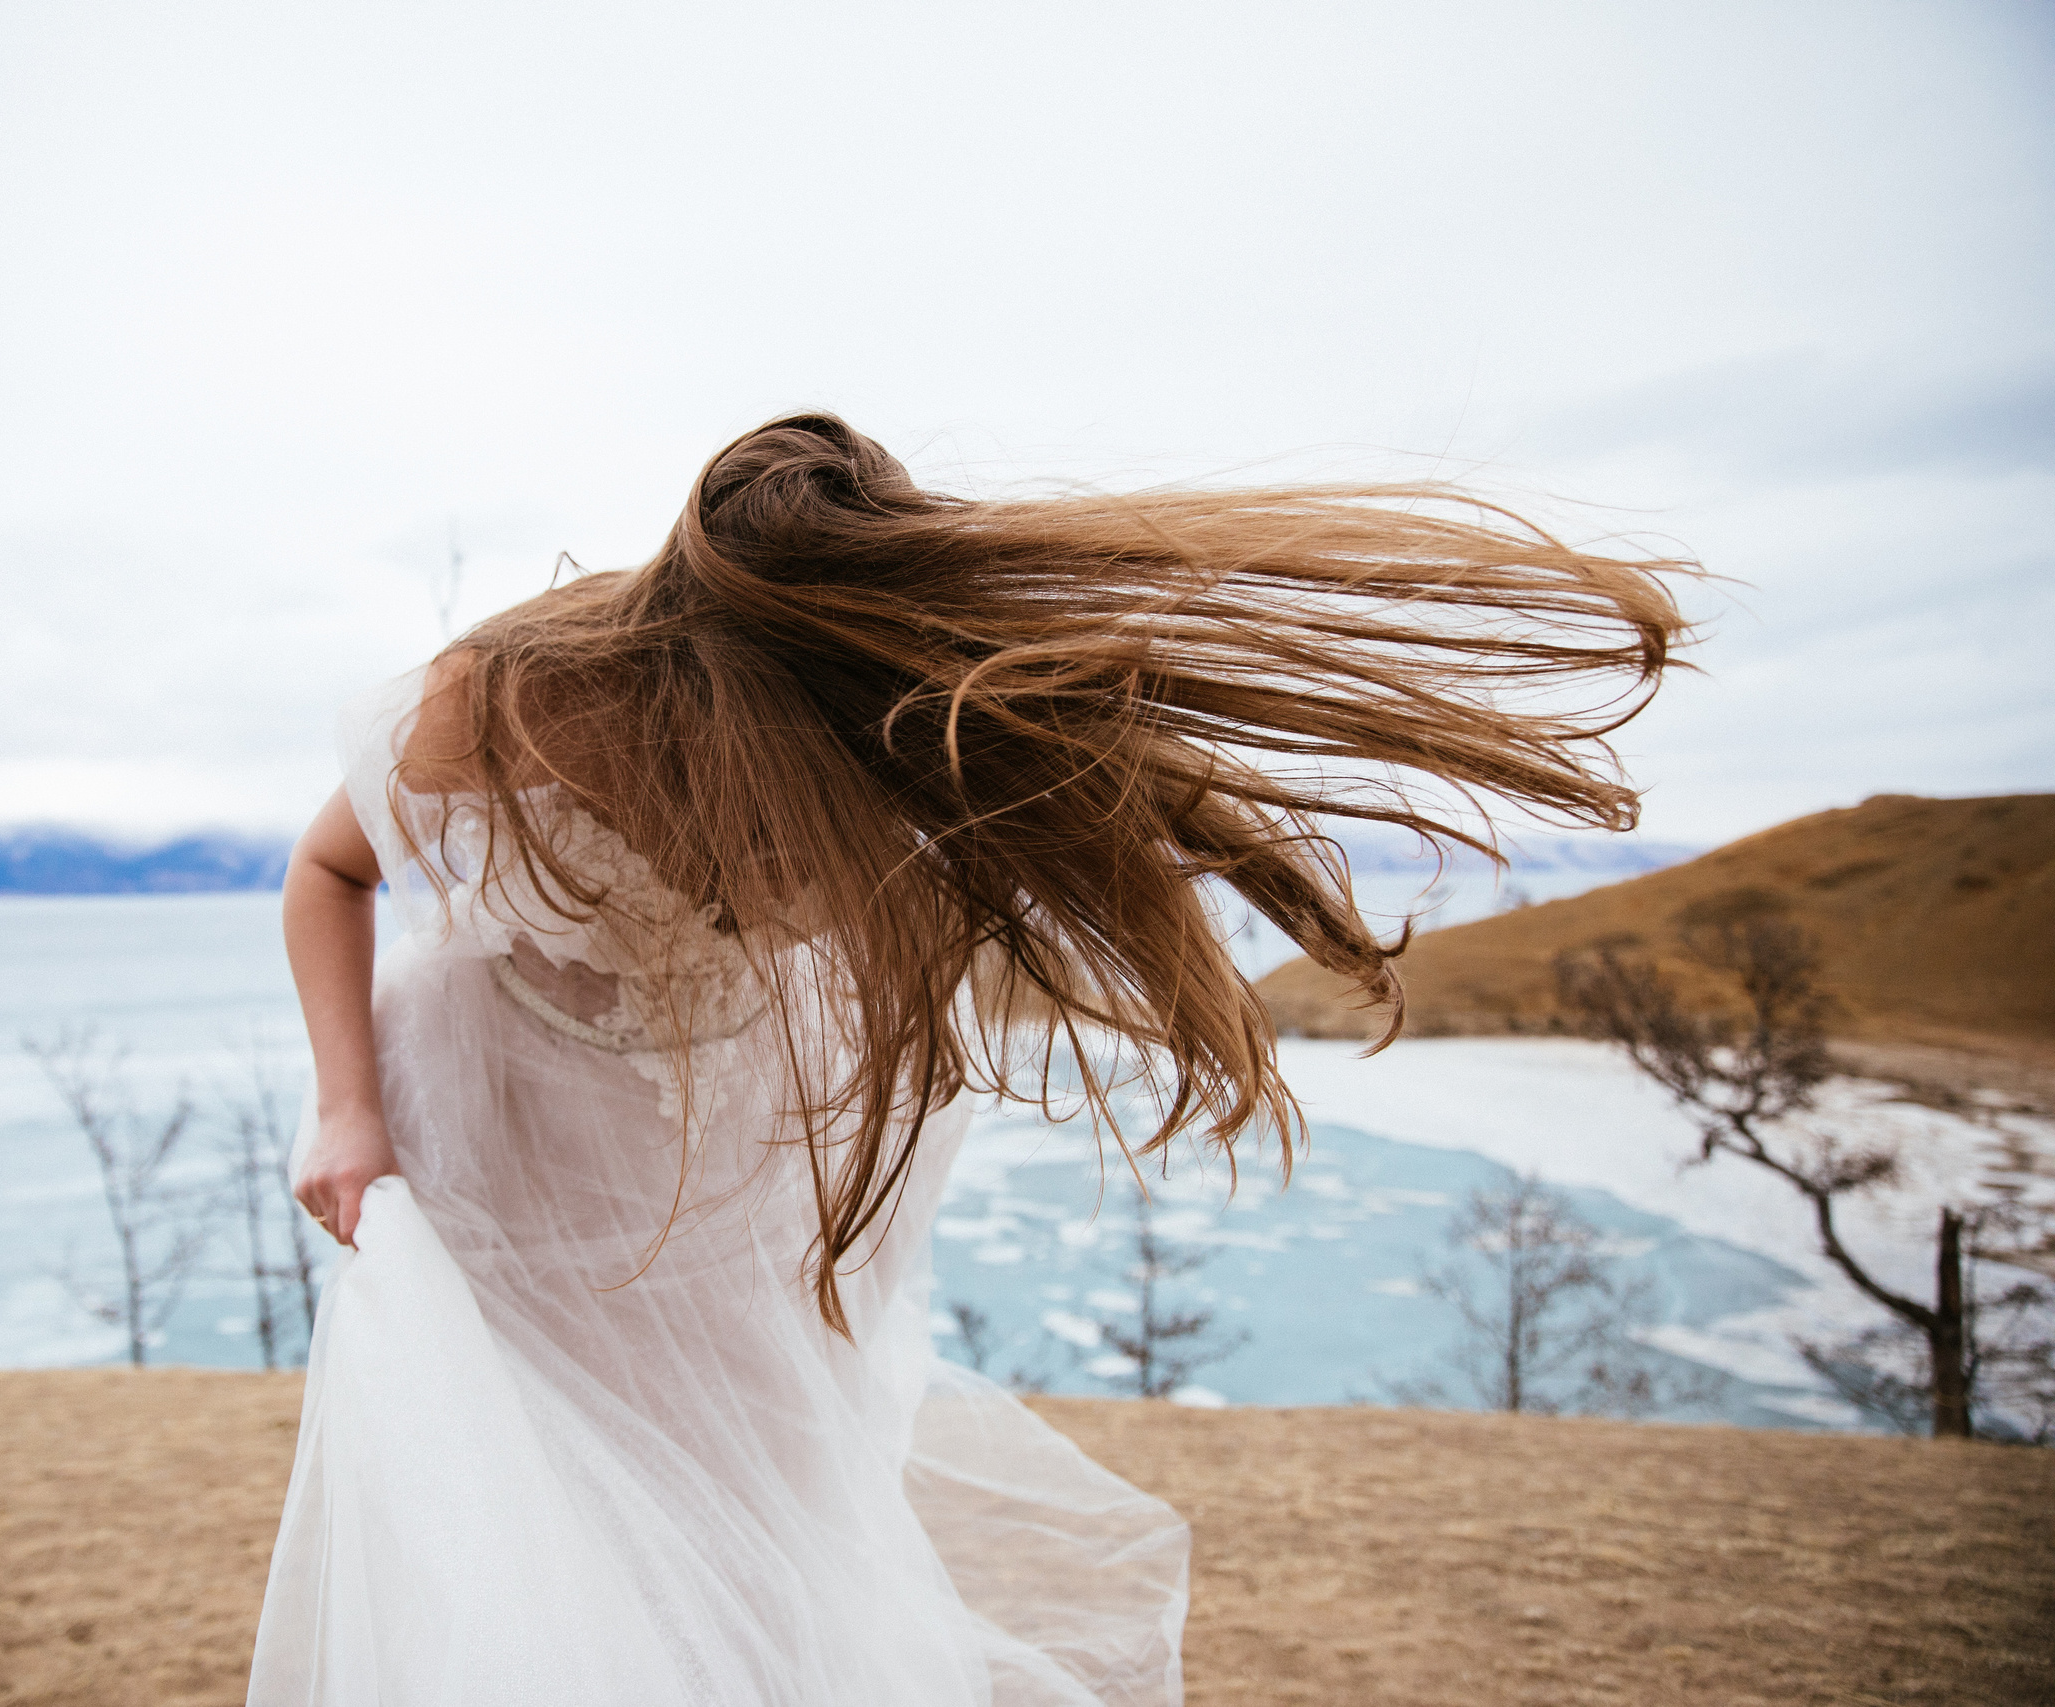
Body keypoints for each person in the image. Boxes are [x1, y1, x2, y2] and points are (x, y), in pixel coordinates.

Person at [246, 415, 1688, 1706]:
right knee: (527, 1509)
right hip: (491, 1130)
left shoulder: (885, 714)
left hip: (733, 1132)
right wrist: (347, 1112)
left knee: (770, 1497)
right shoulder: (512, 695)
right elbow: (328, 866)